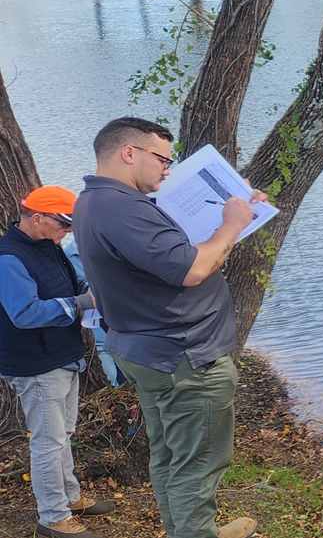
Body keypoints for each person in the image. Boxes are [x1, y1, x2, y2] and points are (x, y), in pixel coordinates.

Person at [72, 117, 262, 538]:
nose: (166, 169)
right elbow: (193, 269)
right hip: (184, 357)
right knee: (196, 465)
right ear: (129, 153)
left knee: (170, 456)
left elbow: (171, 260)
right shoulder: (122, 208)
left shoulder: (95, 200)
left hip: (150, 349)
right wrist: (231, 223)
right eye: (161, 158)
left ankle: (191, 532)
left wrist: (235, 217)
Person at [3, 186, 117, 538]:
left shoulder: (48, 246)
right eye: (63, 225)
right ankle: (53, 518)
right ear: (36, 218)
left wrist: (95, 286)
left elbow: (68, 282)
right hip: (36, 364)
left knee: (63, 434)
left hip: (62, 357)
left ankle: (70, 497)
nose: (68, 233)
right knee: (48, 442)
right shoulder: (8, 258)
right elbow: (25, 313)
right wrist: (84, 302)